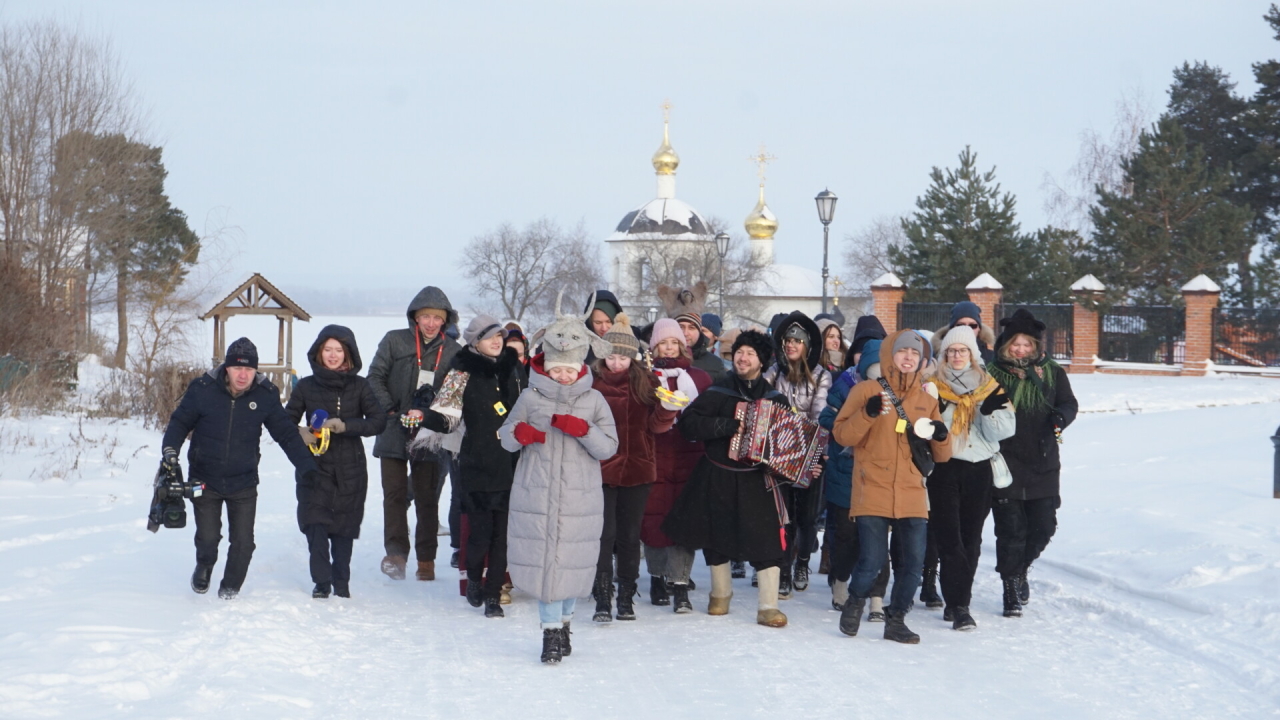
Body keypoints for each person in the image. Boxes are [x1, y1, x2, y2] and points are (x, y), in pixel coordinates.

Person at [499, 304, 617, 664]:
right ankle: (550, 633)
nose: (563, 376)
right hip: (537, 491)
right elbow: (505, 436)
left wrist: (584, 430)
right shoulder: (531, 397)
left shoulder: (594, 400)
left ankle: (564, 622)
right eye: (557, 369)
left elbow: (609, 446)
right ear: (546, 367)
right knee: (545, 563)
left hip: (578, 495)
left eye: (569, 369)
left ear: (580, 366)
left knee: (570, 564)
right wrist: (520, 433)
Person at [161, 337, 318, 599]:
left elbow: (286, 435)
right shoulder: (203, 389)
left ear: (256, 370)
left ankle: (229, 591)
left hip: (243, 480)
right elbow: (179, 423)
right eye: (237, 369)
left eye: (249, 369)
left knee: (244, 543)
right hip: (204, 477)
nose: (243, 375)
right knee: (209, 538)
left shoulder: (265, 395)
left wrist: (307, 467)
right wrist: (170, 452)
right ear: (227, 368)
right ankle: (205, 564)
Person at [662, 330, 794, 628]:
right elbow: (689, 425)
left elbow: (786, 441)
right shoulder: (718, 391)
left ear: (762, 361)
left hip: (757, 480)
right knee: (716, 537)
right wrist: (725, 426)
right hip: (717, 475)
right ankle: (720, 595)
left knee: (767, 540)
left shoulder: (775, 399)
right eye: (739, 352)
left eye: (750, 354)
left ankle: (768, 606)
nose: (742, 358)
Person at [832, 330, 952, 644]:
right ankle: (855, 602)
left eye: (915, 354)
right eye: (902, 352)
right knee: (872, 561)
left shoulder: (927, 399)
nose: (908, 358)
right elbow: (842, 435)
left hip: (912, 490)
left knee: (914, 563)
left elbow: (943, 455)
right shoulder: (867, 390)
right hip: (872, 485)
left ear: (923, 360)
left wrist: (941, 434)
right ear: (890, 355)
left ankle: (896, 619)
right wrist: (868, 414)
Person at [413, 315, 526, 618]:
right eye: (489, 336)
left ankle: (493, 596)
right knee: (479, 534)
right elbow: (446, 419)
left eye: (499, 335)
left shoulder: (514, 368)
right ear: (475, 342)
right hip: (476, 462)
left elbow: (528, 406)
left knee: (502, 536)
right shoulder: (461, 372)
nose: (497, 341)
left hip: (511, 461)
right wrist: (425, 413)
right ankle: (474, 578)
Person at [987, 308, 1077, 618]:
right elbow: (982, 411)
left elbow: (1069, 403)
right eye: (1016, 344)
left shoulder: (1052, 372)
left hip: (1043, 460)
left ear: (1036, 346)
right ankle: (1010, 589)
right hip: (1004, 461)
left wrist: (1060, 417)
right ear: (1005, 345)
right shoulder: (992, 374)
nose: (1021, 350)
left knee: (1044, 525)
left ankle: (1021, 568)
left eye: (1027, 344)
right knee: (1011, 531)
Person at [284, 326, 386, 599]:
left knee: (343, 528)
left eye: (338, 350)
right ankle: (321, 582)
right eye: (327, 349)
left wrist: (346, 425)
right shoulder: (305, 386)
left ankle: (341, 582)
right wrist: (300, 433)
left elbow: (378, 421)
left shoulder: (360, 386)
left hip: (350, 468)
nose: (332, 355)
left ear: (348, 353)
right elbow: (284, 422)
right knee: (315, 524)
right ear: (319, 351)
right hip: (314, 467)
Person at [590, 313, 680, 622]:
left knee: (629, 536)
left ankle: (626, 596)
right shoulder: (592, 382)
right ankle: (603, 595)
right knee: (604, 534)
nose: (616, 363)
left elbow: (656, 426)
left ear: (633, 357)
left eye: (623, 357)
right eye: (612, 356)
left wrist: (668, 410)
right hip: (600, 470)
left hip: (639, 469)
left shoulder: (647, 380)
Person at [367, 287, 461, 582]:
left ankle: (426, 560)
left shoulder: (455, 352)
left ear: (445, 320)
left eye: (437, 317)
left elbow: (453, 396)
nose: (431, 322)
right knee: (394, 496)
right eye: (425, 316)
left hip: (430, 434)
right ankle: (395, 554)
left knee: (426, 497)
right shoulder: (395, 340)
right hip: (393, 431)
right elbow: (374, 377)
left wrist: (430, 416)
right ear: (415, 318)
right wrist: (392, 411)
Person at [927, 325, 1015, 630]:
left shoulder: (989, 386)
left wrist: (987, 412)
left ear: (973, 354)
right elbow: (921, 425)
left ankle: (956, 599)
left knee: (971, 538)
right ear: (944, 354)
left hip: (979, 468)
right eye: (951, 350)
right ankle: (961, 606)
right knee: (949, 538)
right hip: (944, 467)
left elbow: (1006, 431)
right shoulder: (932, 385)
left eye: (962, 350)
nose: (956, 355)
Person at [641, 317, 713, 612]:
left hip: (689, 455)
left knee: (684, 521)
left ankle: (680, 582)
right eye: (663, 342)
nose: (669, 348)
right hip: (655, 454)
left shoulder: (699, 378)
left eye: (674, 343)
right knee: (654, 518)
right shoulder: (644, 377)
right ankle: (657, 578)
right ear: (654, 345)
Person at [818, 335, 893, 615]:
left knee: (876, 539)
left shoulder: (895, 391)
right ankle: (840, 583)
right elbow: (827, 419)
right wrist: (857, 418)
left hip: (879, 473)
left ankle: (876, 597)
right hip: (845, 472)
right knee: (846, 536)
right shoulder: (844, 385)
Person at [762, 311, 831, 597]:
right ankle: (785, 569)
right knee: (783, 515)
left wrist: (813, 459)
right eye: (787, 340)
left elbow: (819, 416)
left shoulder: (821, 376)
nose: (791, 345)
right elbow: (763, 402)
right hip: (778, 453)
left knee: (808, 517)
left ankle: (803, 561)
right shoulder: (774, 371)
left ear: (807, 346)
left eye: (797, 341)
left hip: (808, 452)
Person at [659, 281, 725, 382]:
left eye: (691, 328)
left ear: (699, 330)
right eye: (681, 327)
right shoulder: (659, 360)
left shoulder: (715, 364)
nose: (686, 333)